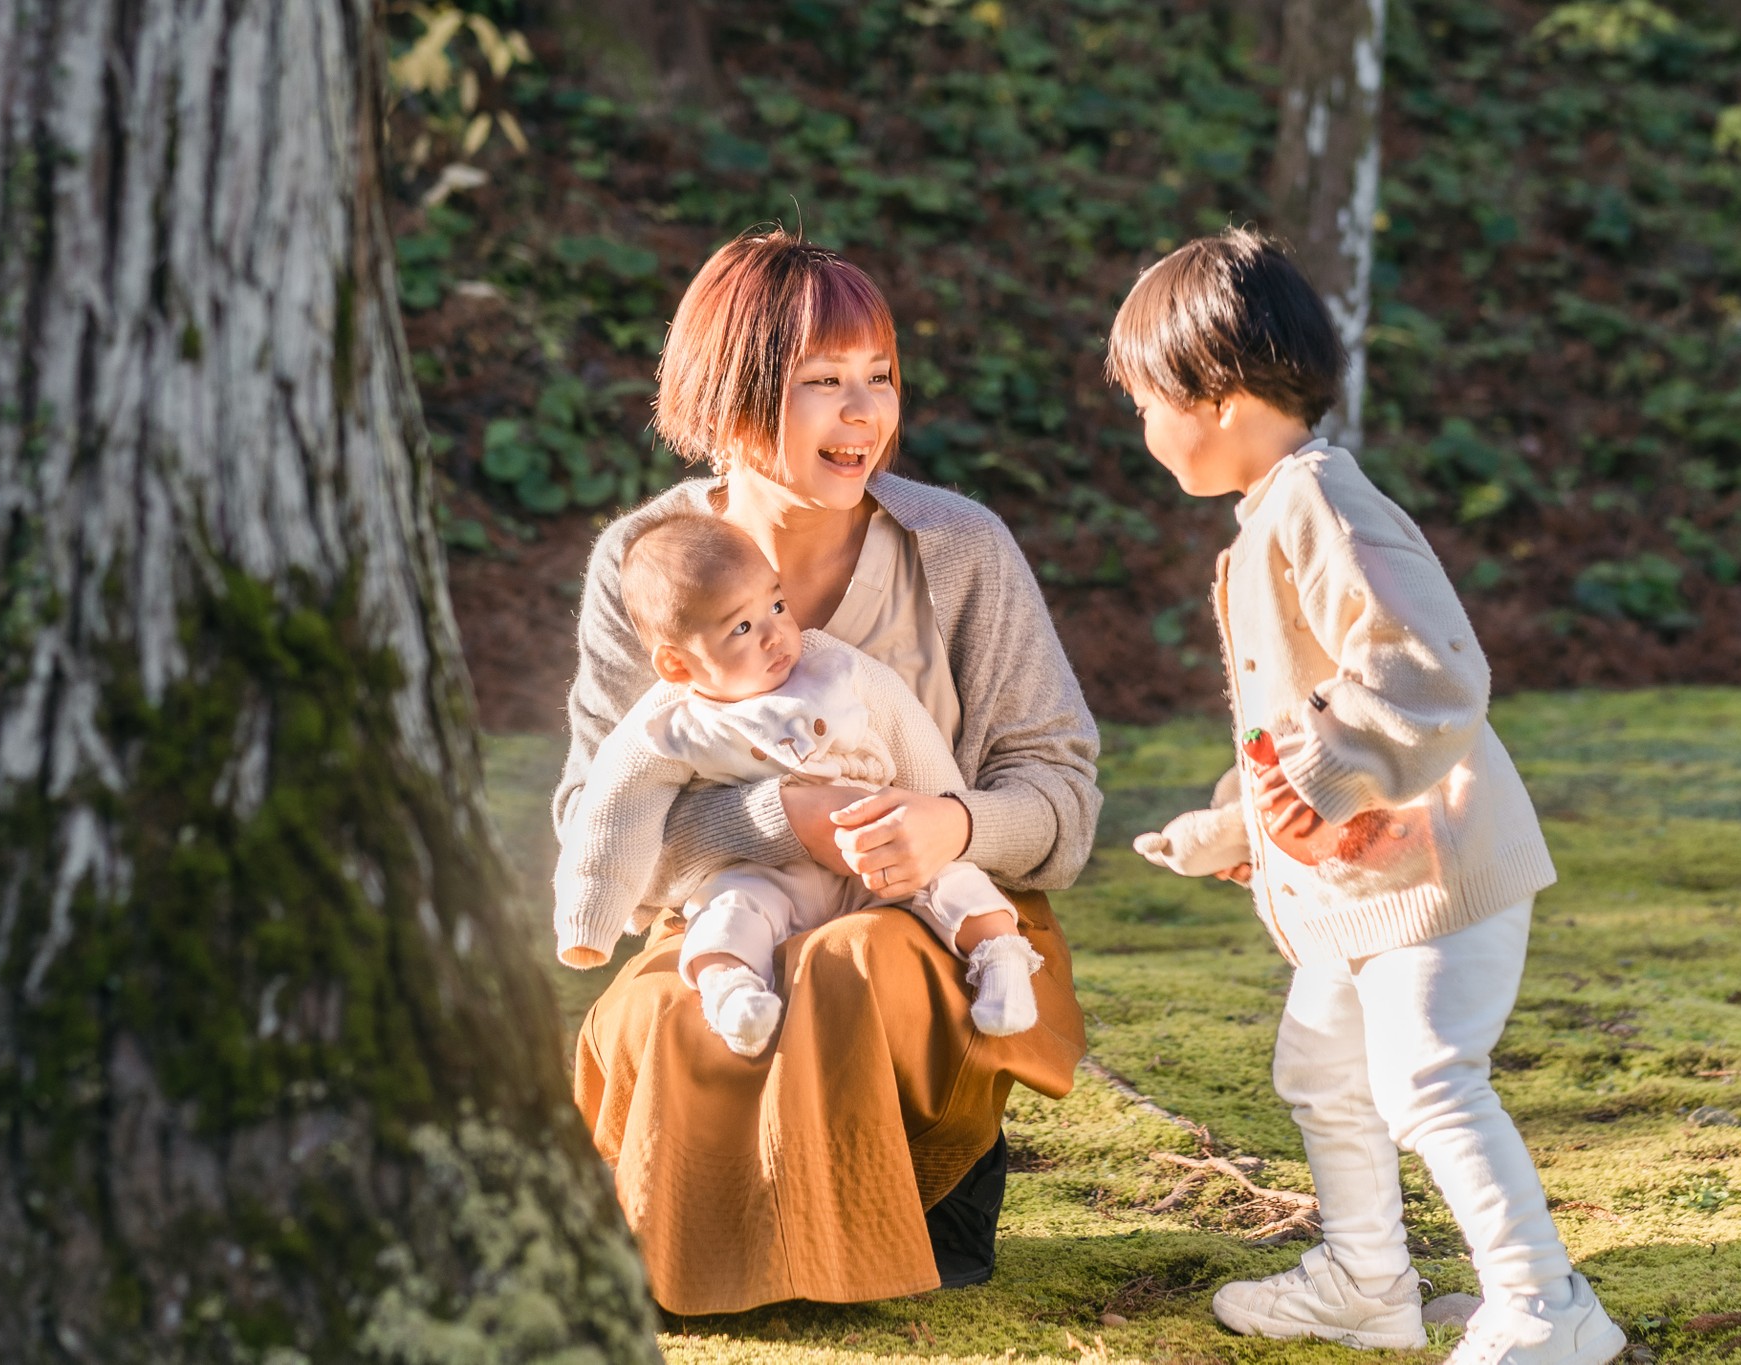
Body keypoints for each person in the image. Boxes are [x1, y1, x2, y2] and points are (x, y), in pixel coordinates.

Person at [557, 226, 1098, 1315]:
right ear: (733, 399)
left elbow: (1063, 799)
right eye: (822, 384)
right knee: (669, 1011)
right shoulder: (646, 564)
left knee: (851, 962)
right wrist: (779, 816)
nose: (864, 413)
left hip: (940, 918)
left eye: (880, 378)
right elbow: (595, 811)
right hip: (735, 913)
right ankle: (697, 1273)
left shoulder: (959, 550)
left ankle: (848, 1238)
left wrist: (948, 828)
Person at [1111, 229, 1627, 1365]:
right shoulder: (1270, 519)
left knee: (1427, 1080)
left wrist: (1316, 780)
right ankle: (1366, 1281)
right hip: (1361, 895)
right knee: (1320, 1072)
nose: (1141, 428)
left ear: (1219, 392)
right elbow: (1299, 718)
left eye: (1146, 400)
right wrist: (1236, 825)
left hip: (1437, 881)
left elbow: (1429, 668)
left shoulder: (1320, 505)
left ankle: (1546, 1309)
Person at [552, 510, 1045, 1055]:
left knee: (955, 883)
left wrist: (944, 815)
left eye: (778, 606)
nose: (775, 635)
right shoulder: (674, 725)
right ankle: (732, 994)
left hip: (874, 849)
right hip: (764, 875)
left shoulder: (832, 669)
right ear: (676, 664)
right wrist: (588, 922)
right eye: (741, 627)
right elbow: (614, 812)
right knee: (725, 915)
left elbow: (909, 734)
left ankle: (1001, 963)